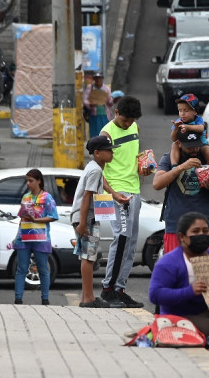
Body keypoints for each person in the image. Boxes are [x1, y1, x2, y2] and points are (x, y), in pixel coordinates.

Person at [99, 95, 150, 308]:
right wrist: (111, 194)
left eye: (132, 120)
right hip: (114, 192)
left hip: (133, 190)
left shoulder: (134, 127)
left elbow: (135, 156)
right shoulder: (106, 133)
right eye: (125, 120)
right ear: (116, 113)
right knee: (120, 238)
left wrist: (144, 167)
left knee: (130, 242)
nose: (128, 124)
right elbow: (97, 171)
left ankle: (120, 289)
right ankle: (107, 289)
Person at [71, 135, 126, 308]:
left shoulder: (94, 168)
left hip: (86, 216)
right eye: (108, 151)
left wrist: (115, 195)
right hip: (86, 217)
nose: (111, 153)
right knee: (89, 257)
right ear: (96, 153)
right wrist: (82, 223)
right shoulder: (95, 170)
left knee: (88, 256)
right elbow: (87, 196)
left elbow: (102, 183)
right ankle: (88, 299)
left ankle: (86, 297)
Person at [153, 129, 209, 254]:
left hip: (205, 228)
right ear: (179, 144)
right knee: (176, 269)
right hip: (175, 227)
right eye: (189, 147)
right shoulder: (168, 159)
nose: (194, 150)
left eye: (196, 146)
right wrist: (180, 167)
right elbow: (157, 184)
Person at [148, 212, 209, 335]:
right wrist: (190, 291)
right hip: (177, 318)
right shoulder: (169, 262)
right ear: (182, 237)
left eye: (205, 231)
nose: (201, 235)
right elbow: (155, 295)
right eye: (196, 231)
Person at [12, 169, 59, 306]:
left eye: (31, 181)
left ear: (39, 181)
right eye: (27, 180)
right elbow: (21, 218)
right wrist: (17, 237)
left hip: (41, 238)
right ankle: (18, 299)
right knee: (21, 268)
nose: (28, 183)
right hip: (24, 238)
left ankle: (45, 299)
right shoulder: (25, 197)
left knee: (43, 268)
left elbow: (53, 216)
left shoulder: (47, 197)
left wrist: (37, 219)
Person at [168, 93, 209, 172]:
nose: (182, 113)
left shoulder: (198, 120)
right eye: (180, 111)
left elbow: (201, 128)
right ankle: (174, 166)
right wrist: (176, 128)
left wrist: (187, 127)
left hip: (200, 145)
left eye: (186, 111)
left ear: (195, 112)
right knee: (174, 145)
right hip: (185, 146)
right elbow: (173, 138)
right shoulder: (179, 122)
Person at [83, 72, 114, 140]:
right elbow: (85, 100)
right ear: (94, 79)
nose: (98, 80)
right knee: (94, 133)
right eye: (96, 78)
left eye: (99, 78)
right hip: (94, 114)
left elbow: (110, 101)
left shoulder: (106, 89)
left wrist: (109, 100)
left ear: (102, 79)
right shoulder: (90, 87)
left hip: (105, 114)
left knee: (104, 132)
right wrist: (90, 104)